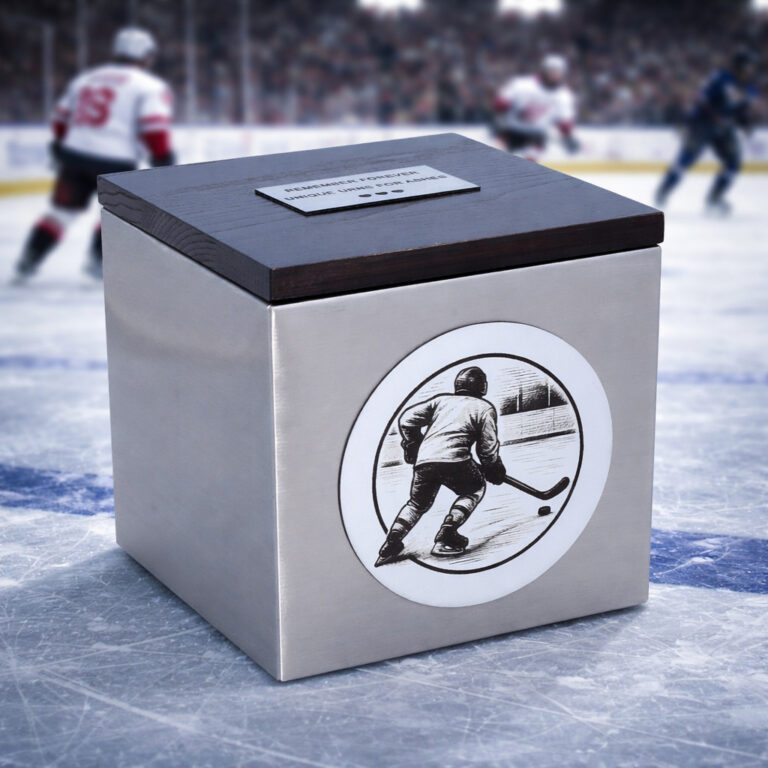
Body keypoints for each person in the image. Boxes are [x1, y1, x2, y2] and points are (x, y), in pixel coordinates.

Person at [13, 27, 175, 284]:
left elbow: (60, 119)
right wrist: (164, 158)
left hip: (75, 156)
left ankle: (28, 260)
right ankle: (97, 262)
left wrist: (61, 145)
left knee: (60, 214)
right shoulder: (149, 85)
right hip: (115, 160)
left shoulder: (87, 78)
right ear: (145, 56)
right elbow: (153, 128)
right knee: (115, 213)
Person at [375, 366, 507, 567]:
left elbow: (406, 420)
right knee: (475, 489)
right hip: (456, 462)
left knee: (416, 504)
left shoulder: (440, 401)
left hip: (425, 462)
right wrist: (493, 467)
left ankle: (391, 542)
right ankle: (447, 534)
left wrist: (413, 443)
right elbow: (487, 447)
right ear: (483, 387)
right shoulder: (484, 408)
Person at [655, 48, 758, 214]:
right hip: (703, 123)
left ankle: (715, 197)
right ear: (741, 66)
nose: (751, 69)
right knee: (686, 159)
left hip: (725, 127)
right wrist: (710, 116)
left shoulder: (750, 88)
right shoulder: (721, 78)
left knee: (733, 162)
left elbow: (741, 110)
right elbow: (701, 97)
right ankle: (664, 191)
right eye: (749, 65)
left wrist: (745, 124)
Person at [492, 53, 579, 161]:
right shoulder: (522, 84)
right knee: (496, 160)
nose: (555, 74)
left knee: (530, 165)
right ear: (544, 70)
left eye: (558, 71)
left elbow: (564, 122)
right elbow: (501, 103)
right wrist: (499, 118)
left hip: (536, 136)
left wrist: (568, 136)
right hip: (512, 130)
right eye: (552, 70)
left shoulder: (563, 95)